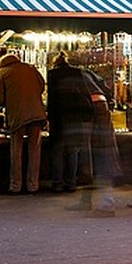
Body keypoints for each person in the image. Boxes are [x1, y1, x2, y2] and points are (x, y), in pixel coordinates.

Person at [0, 53, 46, 194]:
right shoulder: (30, 68)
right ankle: (33, 185)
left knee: (16, 151)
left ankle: (16, 185)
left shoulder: (2, 73)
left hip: (17, 116)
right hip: (37, 114)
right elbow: (42, 85)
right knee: (35, 151)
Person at [70, 70, 122, 217]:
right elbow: (107, 91)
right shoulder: (88, 74)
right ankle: (89, 200)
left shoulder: (73, 78)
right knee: (96, 158)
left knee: (96, 159)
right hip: (99, 111)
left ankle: (106, 204)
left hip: (92, 113)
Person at [47, 51, 94, 194]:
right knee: (72, 151)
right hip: (74, 117)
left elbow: (51, 99)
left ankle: (57, 183)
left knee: (58, 152)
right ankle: (71, 183)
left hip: (59, 118)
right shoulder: (77, 73)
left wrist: (50, 116)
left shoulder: (52, 75)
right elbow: (85, 94)